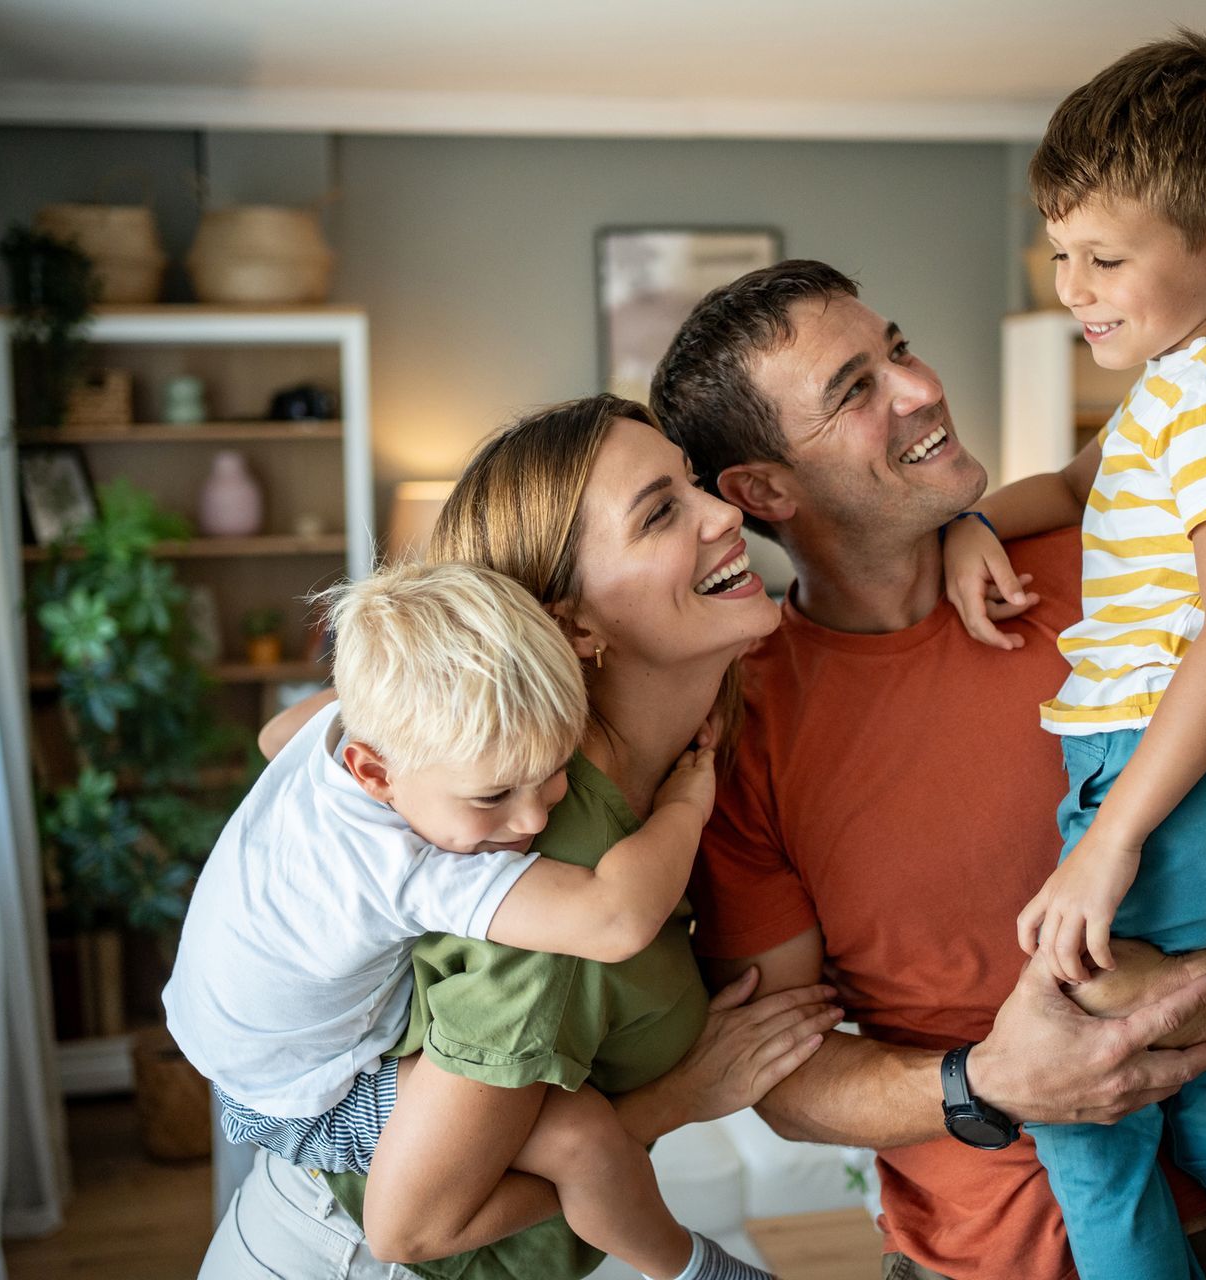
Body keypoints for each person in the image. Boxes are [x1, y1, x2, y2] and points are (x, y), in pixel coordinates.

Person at [649, 258, 1206, 1279]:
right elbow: (789, 1074)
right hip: (985, 1250)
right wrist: (994, 1076)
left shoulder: (1118, 565)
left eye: (897, 347)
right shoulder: (746, 730)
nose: (920, 386)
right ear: (763, 490)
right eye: (855, 388)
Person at [198, 395, 841, 1280]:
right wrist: (682, 1098)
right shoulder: (538, 875)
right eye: (662, 511)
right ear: (571, 625)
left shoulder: (595, 761)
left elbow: (292, 734)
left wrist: (968, 532)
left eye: (693, 483)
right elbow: (412, 1227)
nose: (727, 511)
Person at [932, 33, 1206, 1280]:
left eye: (1105, 257)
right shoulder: (1199, 378)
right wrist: (973, 519)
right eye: (1061, 252)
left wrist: (1109, 843)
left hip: (1185, 783)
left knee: (1091, 1119)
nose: (1074, 285)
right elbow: (1077, 486)